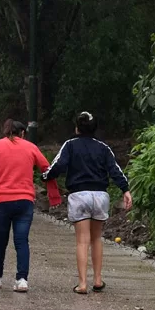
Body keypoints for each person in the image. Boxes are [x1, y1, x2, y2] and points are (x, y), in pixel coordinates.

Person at [43, 112, 132, 294]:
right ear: (95, 128)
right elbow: (115, 170)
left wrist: (46, 176)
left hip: (79, 195)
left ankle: (82, 284)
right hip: (100, 196)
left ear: (76, 128)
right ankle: (98, 280)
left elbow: (58, 166)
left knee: (82, 241)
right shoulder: (103, 148)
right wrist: (125, 189)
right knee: (96, 238)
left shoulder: (70, 145)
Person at [0, 120, 57, 293]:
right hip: (24, 201)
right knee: (21, 241)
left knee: (0, 241)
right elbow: (47, 169)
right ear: (22, 133)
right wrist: (54, 195)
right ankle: (21, 280)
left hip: (1, 201)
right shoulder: (31, 147)